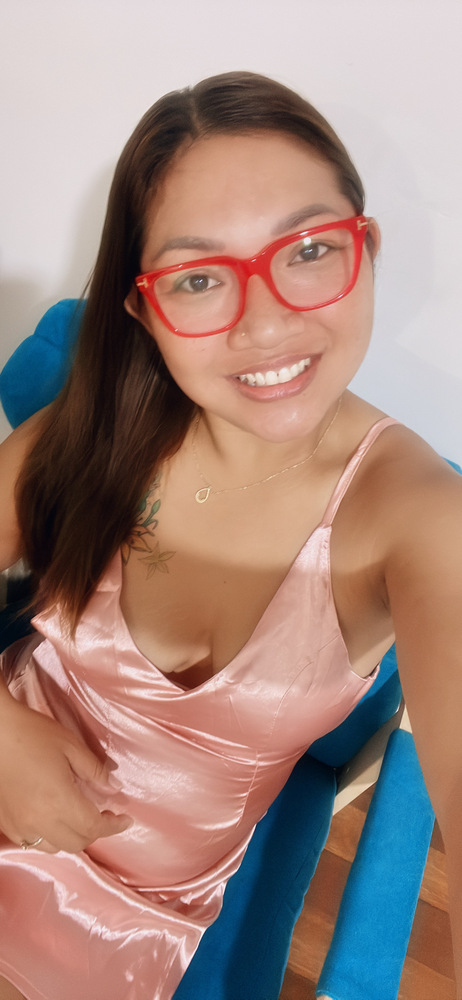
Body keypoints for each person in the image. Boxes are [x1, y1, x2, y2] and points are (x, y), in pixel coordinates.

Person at [0, 70, 460, 1000]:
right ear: (142, 307)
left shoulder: (418, 517)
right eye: (201, 277)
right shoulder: (98, 425)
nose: (267, 321)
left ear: (365, 248)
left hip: (117, 923)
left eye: (308, 250)